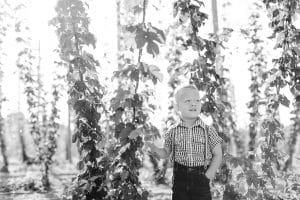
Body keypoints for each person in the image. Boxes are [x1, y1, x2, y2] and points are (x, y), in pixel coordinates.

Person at [145, 85, 223, 200]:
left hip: (201, 178)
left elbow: (218, 154)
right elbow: (166, 152)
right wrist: (155, 149)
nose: (193, 104)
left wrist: (208, 175)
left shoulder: (208, 130)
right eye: (188, 101)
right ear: (178, 108)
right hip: (179, 180)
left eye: (197, 100)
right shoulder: (172, 130)